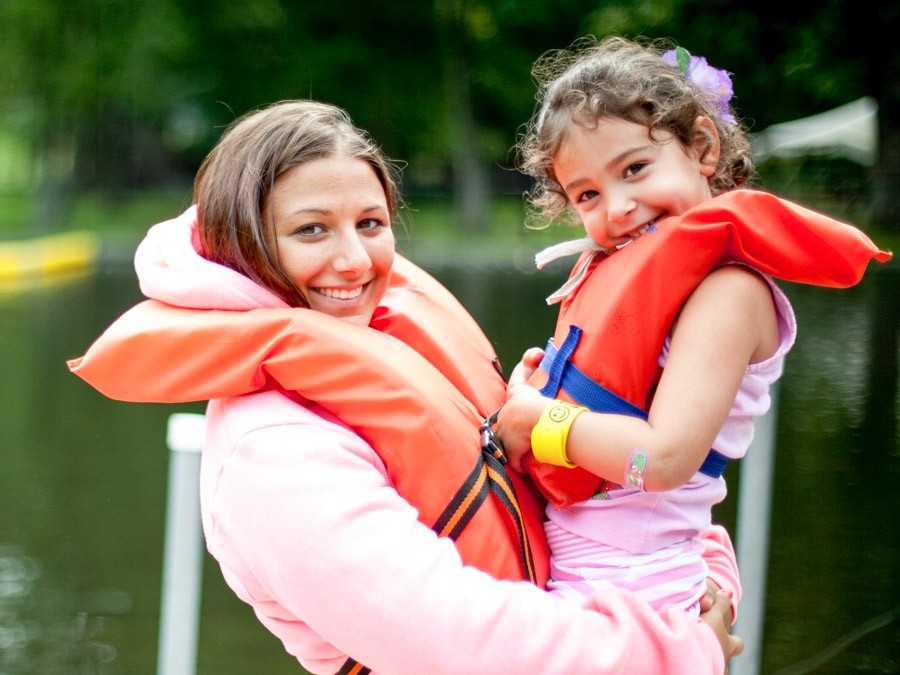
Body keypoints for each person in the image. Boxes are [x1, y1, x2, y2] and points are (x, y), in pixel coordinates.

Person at [68, 99, 746, 673]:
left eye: (370, 223)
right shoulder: (269, 450)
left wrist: (701, 577)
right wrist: (680, 651)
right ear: (245, 245)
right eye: (311, 230)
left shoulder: (390, 338)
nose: (355, 260)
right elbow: (464, 644)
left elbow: (600, 515)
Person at [494, 36, 890, 616]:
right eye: (588, 195)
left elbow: (664, 460)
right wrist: (531, 393)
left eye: (635, 168)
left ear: (702, 148)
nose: (619, 206)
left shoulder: (729, 292)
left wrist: (541, 418)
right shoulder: (631, 274)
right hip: (587, 571)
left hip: (634, 590)